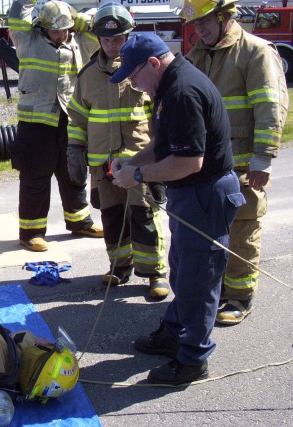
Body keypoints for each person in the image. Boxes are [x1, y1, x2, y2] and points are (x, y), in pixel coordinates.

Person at [109, 33, 245, 385]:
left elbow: (188, 161)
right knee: (183, 270)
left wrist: (136, 175)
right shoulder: (170, 85)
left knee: (198, 280)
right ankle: (174, 333)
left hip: (205, 194)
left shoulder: (182, 91)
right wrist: (133, 160)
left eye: (134, 75)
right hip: (193, 195)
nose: (134, 84)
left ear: (153, 63)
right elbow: (165, 144)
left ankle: (192, 360)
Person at [180, 0, 289, 325]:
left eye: (206, 21)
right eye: (196, 24)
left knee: (242, 230)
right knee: (211, 234)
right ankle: (219, 292)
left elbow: (271, 107)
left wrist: (262, 158)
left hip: (243, 167)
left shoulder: (255, 51)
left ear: (226, 16)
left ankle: (240, 297)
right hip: (206, 168)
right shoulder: (197, 55)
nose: (199, 29)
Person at [66, 3, 169, 300]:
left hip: (141, 161)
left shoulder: (144, 68)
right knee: (111, 218)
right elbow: (76, 118)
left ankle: (154, 273)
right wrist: (74, 150)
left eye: (119, 38)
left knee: (144, 216)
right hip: (102, 164)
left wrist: (161, 153)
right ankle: (120, 265)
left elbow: (161, 115)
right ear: (98, 38)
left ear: (129, 36)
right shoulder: (86, 76)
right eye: (106, 39)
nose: (112, 45)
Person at [8, 0, 103, 252]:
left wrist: (73, 15)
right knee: (35, 177)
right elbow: (18, 15)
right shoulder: (27, 40)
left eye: (66, 29)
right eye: (56, 30)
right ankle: (31, 232)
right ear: (42, 28)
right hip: (36, 123)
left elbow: (98, 28)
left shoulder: (80, 42)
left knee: (74, 172)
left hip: (70, 120)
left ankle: (79, 221)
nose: (62, 35)